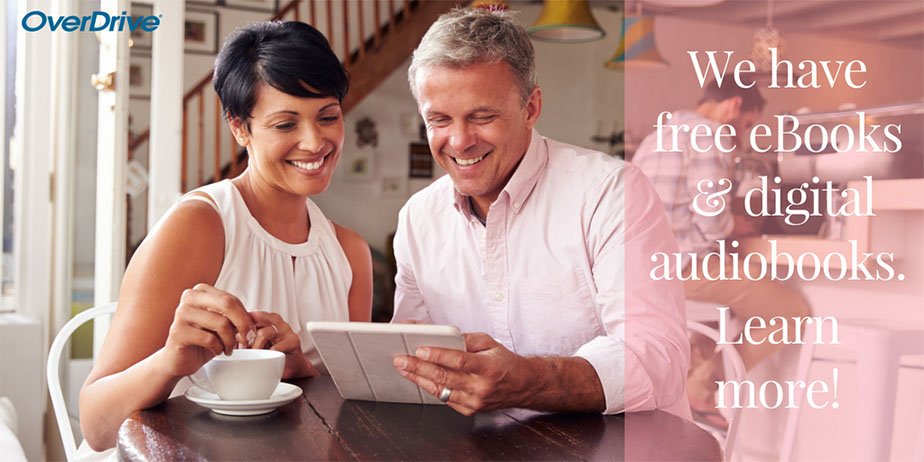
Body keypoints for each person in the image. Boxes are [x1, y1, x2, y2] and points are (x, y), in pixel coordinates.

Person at [78, 21, 372, 452]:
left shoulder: (350, 252)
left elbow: (352, 413)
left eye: (327, 117)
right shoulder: (200, 226)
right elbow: (95, 422)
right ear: (239, 128)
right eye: (285, 124)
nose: (314, 142)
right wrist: (171, 361)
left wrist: (300, 369)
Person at [389, 8, 690, 419]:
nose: (459, 141)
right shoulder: (417, 218)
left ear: (531, 108)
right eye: (439, 120)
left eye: (482, 116)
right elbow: (415, 360)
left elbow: (657, 358)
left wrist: (528, 381)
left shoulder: (611, 192)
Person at [631, 80, 810, 426]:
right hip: (683, 268)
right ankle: (701, 387)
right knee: (790, 312)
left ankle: (687, 389)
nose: (745, 135)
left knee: (715, 318)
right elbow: (711, 219)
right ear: (733, 105)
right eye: (748, 125)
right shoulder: (710, 135)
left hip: (644, 271)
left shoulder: (657, 137)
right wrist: (734, 225)